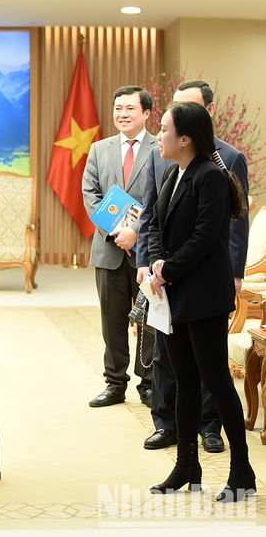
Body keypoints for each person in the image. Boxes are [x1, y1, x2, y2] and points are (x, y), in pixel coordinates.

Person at [147, 100, 255, 502]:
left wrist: (167, 269)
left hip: (203, 295)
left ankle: (242, 472)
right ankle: (187, 465)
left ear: (186, 138)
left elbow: (206, 238)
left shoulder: (210, 175)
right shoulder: (176, 171)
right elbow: (156, 223)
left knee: (217, 382)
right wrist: (158, 261)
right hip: (174, 293)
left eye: (164, 128)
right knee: (184, 381)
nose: (159, 135)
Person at [82, 85, 155, 408]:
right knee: (111, 322)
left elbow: (162, 198)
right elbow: (90, 194)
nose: (122, 115)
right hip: (109, 249)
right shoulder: (99, 149)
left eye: (130, 109)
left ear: (147, 114)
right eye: (118, 109)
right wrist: (117, 231)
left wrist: (136, 232)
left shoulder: (160, 148)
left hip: (148, 253)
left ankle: (149, 383)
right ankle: (114, 383)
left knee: (150, 321)